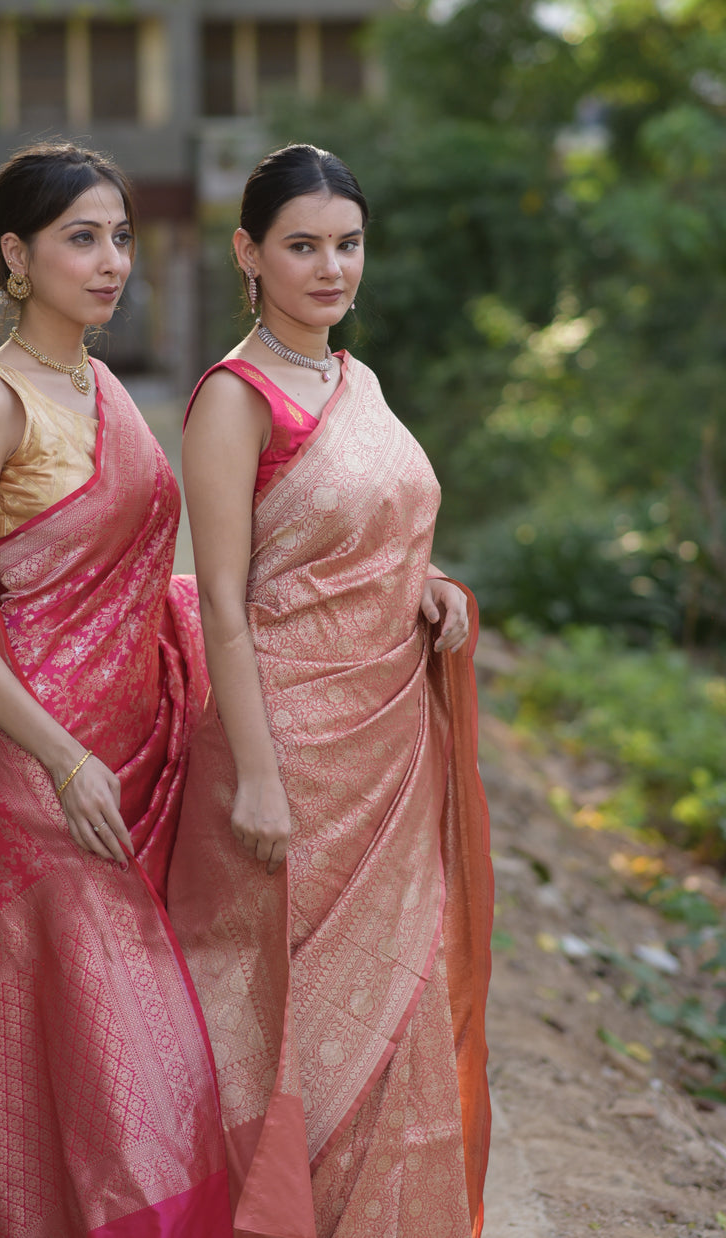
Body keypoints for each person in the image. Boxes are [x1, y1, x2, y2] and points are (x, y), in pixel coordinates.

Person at [166, 143, 493, 1238]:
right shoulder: (235, 398)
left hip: (385, 749)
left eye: (347, 245)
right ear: (247, 253)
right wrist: (257, 778)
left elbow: (374, 543)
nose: (330, 268)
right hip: (288, 753)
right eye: (301, 246)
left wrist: (429, 588)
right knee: (281, 1027)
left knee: (389, 1007)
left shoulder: (357, 384)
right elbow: (224, 600)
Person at [0, 142, 231, 1238]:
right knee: (104, 1077)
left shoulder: (106, 387)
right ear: (16, 254)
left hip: (135, 765)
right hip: (36, 785)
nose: (111, 262)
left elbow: (154, 584)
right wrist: (62, 759)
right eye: (81, 238)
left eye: (121, 237)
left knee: (128, 1079)